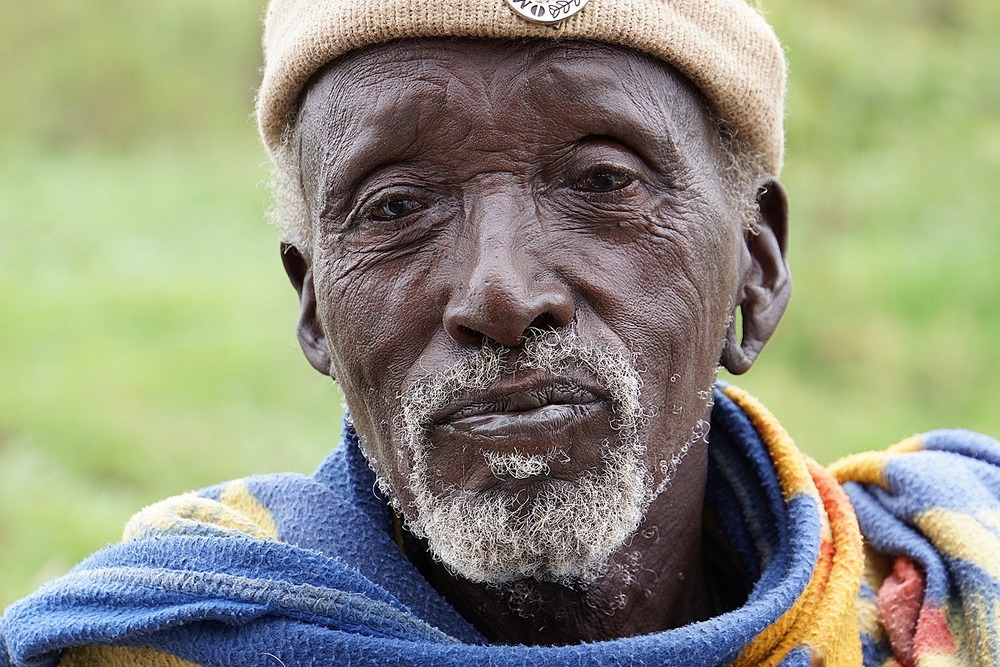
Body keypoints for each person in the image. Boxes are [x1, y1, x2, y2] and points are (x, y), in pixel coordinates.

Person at [2, 0, 998, 665]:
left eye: (603, 181)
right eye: (395, 207)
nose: (499, 293)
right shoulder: (160, 644)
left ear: (757, 265)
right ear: (313, 307)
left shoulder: (950, 598)